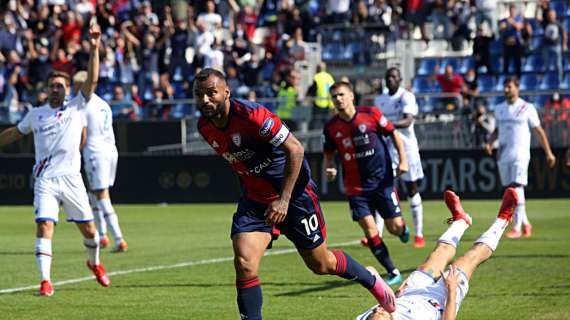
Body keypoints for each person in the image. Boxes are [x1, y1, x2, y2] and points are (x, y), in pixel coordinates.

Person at [194, 68, 395, 319]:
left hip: (295, 196)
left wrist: (284, 199)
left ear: (226, 92)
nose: (205, 100)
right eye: (199, 94)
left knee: (321, 264)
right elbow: (239, 164)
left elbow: (296, 150)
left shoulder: (252, 115)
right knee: (244, 263)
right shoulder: (204, 127)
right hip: (257, 202)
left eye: (211, 93)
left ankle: (370, 278)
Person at [0, 22, 110, 296]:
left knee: (90, 232)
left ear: (68, 89)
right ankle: (45, 281)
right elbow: (15, 133)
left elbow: (93, 80)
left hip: (72, 179)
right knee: (45, 224)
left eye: (61, 86)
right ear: (47, 89)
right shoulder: (36, 114)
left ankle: (94, 262)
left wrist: (94, 46)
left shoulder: (76, 106)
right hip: (45, 180)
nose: (57, 89)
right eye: (53, 86)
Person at [356, 188, 518, 320]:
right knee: (469, 259)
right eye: (380, 314)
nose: (377, 311)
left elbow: (370, 270)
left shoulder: (364, 318)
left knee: (439, 253)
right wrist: (452, 289)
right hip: (439, 299)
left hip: (409, 292)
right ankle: (503, 219)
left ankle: (460, 221)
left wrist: (391, 297)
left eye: (375, 313)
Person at [324, 81, 410, 286]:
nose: (338, 99)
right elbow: (328, 153)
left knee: (394, 228)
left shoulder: (370, 114)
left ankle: (402, 228)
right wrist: (330, 168)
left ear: (351, 95)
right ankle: (393, 271)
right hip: (356, 188)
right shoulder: (331, 127)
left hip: (382, 182)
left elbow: (394, 134)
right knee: (371, 232)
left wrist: (403, 160)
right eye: (334, 96)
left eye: (341, 94)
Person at [484, 77, 556, 238]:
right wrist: (490, 143)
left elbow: (539, 131)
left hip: (520, 154)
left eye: (509, 87)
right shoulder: (499, 108)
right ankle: (526, 223)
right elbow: (497, 130)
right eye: (505, 87)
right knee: (510, 190)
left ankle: (516, 228)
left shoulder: (527, 107)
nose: (506, 90)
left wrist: (549, 152)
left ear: (517, 88)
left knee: (517, 187)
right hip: (503, 154)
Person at [73, 71, 128, 253]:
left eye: (75, 85)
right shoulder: (103, 104)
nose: (73, 90)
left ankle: (119, 238)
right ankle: (102, 235)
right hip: (111, 150)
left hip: (95, 152)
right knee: (94, 194)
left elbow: (83, 134)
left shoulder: (83, 105)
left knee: (102, 195)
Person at [375, 68, 426, 248]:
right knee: (381, 190)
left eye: (394, 76)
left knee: (411, 189)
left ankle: (419, 234)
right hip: (386, 150)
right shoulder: (379, 100)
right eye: (388, 76)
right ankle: (376, 236)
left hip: (407, 149)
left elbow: (407, 121)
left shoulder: (406, 96)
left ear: (400, 79)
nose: (391, 79)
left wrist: (385, 125)